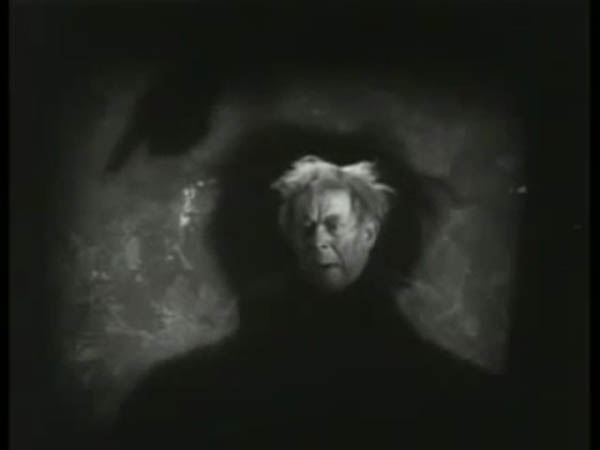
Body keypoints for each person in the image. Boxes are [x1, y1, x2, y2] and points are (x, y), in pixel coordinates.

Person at [113, 155, 513, 450]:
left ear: (369, 233)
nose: (318, 239)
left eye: (333, 225)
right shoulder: (183, 395)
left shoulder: (455, 397)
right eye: (306, 227)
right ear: (290, 238)